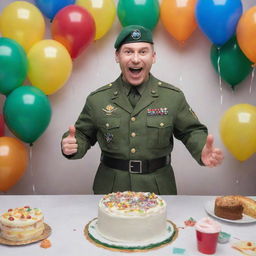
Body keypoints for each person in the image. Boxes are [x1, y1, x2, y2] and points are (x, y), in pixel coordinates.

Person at [61, 25, 224, 195]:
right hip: (111, 189)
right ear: (117, 56)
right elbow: (81, 135)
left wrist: (202, 149)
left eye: (143, 52)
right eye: (128, 52)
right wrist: (72, 145)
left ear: (153, 57)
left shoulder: (172, 97)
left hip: (157, 188)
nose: (136, 59)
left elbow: (191, 132)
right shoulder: (98, 99)